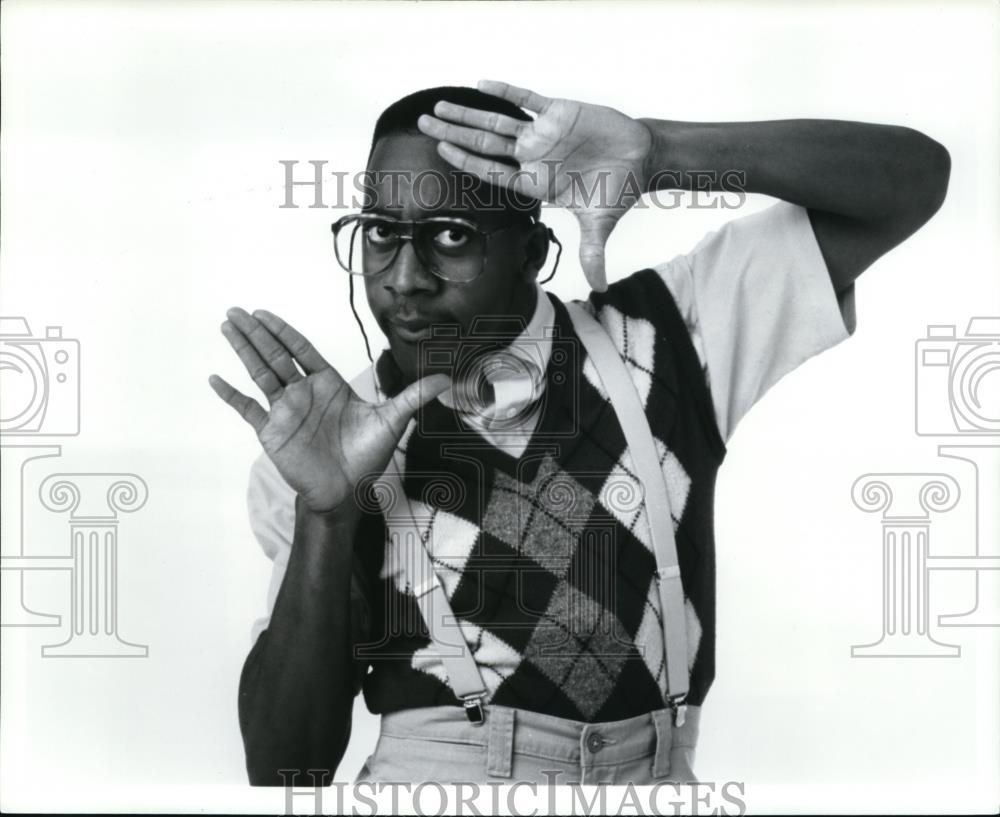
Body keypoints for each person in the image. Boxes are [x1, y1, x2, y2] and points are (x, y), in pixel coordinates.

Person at [209, 81, 950, 786]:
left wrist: (660, 153)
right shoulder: (322, 449)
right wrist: (327, 513)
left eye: (451, 235)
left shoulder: (671, 337)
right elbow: (283, 770)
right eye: (380, 234)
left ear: (534, 252)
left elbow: (912, 180)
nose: (404, 277)